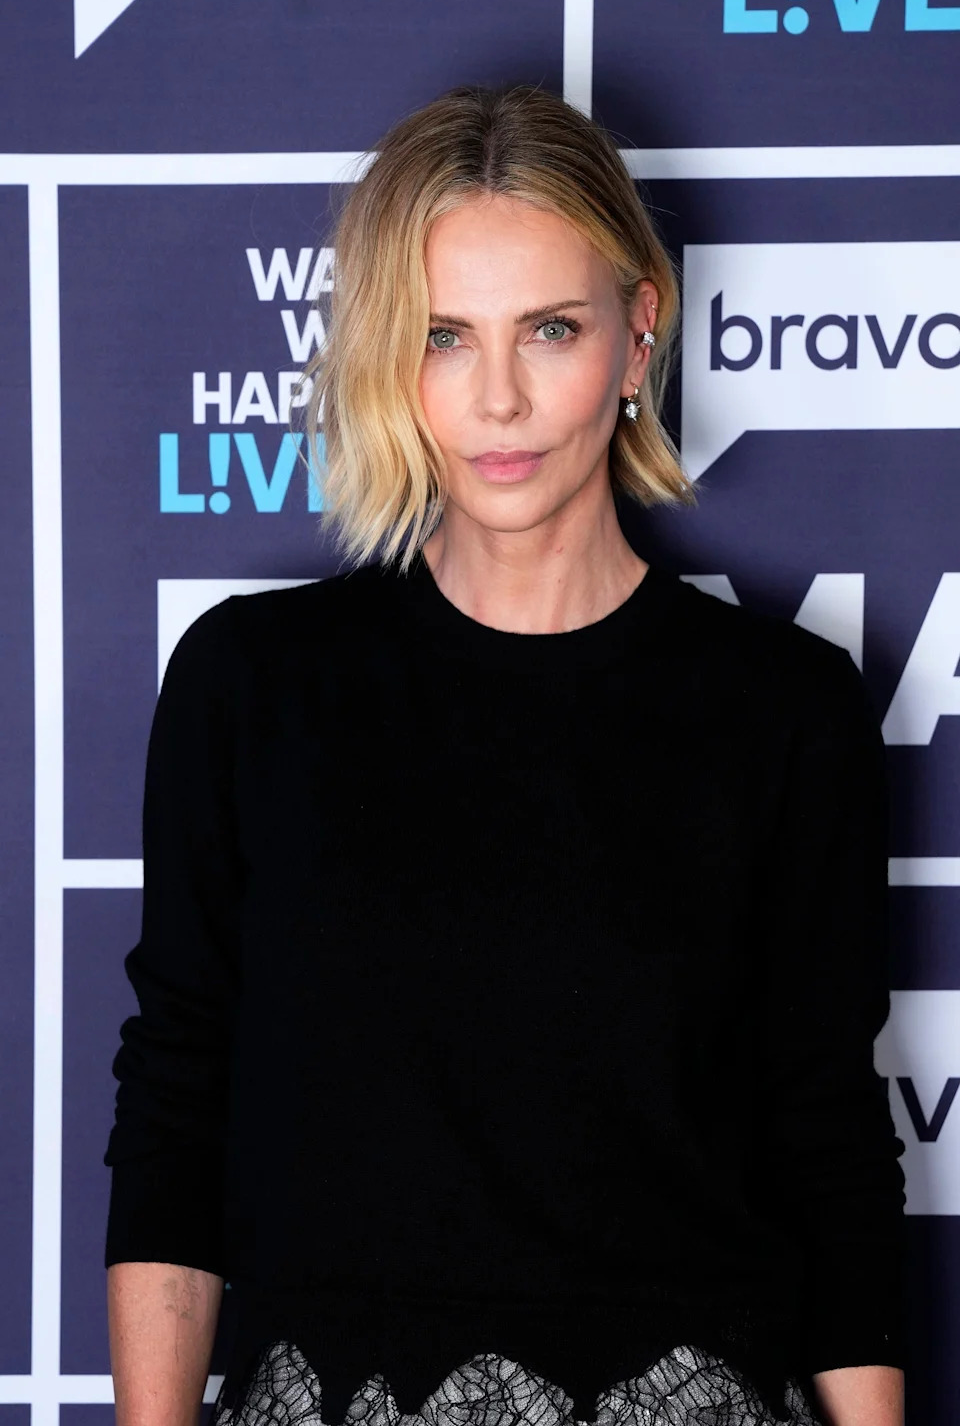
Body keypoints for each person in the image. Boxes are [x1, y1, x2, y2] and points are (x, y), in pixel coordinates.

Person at [103, 84, 908, 1426]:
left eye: (551, 329)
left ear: (639, 331)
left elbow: (828, 1141)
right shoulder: (252, 688)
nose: (498, 399)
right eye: (443, 337)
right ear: (386, 355)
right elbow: (176, 1108)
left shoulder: (787, 712)